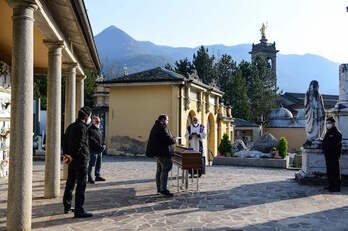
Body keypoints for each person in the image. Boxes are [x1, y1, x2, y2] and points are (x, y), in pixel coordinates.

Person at [63, 106, 93, 218]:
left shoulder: (71, 126)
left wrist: (67, 155)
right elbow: (79, 145)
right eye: (90, 116)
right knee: (81, 185)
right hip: (80, 160)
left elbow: (64, 141)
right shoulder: (82, 128)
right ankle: (79, 210)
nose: (90, 118)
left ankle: (67, 205)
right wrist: (73, 156)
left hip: (71, 160)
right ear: (86, 117)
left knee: (70, 183)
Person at [146, 114, 176, 197]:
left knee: (160, 170)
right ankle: (163, 189)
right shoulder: (161, 127)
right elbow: (166, 139)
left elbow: (164, 137)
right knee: (165, 169)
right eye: (167, 120)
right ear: (163, 120)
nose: (167, 122)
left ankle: (159, 188)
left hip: (158, 152)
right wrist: (174, 140)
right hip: (162, 153)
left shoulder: (157, 126)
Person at [322, 117, 342, 192]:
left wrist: (327, 147)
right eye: (327, 123)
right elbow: (324, 142)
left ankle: (336, 187)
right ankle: (331, 185)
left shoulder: (337, 133)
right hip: (327, 155)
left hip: (334, 155)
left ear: (333, 123)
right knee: (329, 171)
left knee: (335, 171)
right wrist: (324, 149)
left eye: (329, 123)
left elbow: (334, 145)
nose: (328, 124)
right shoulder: (328, 132)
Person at [88, 116, 106, 184]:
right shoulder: (90, 129)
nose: (98, 122)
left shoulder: (99, 129)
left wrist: (104, 145)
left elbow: (102, 138)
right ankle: (90, 177)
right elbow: (92, 140)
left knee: (99, 164)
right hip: (94, 150)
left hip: (99, 150)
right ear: (93, 121)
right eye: (97, 121)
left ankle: (97, 176)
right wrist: (99, 146)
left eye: (99, 121)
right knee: (92, 164)